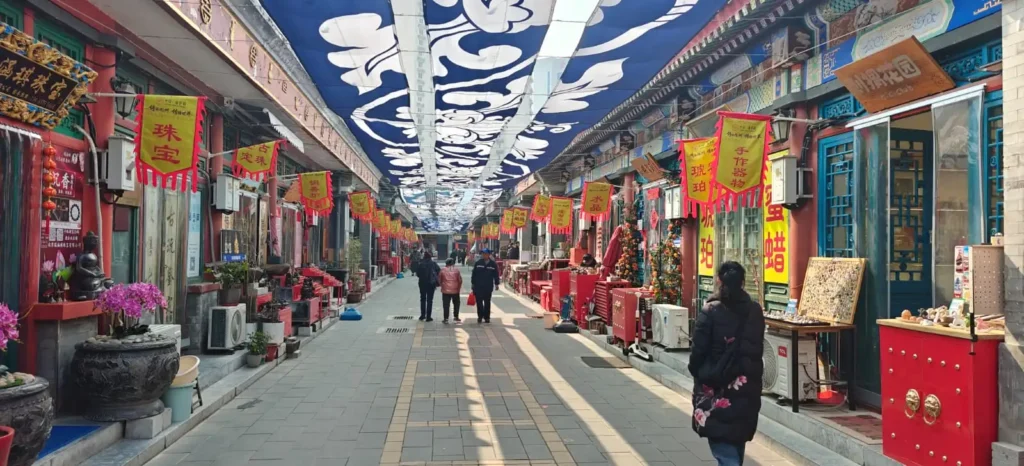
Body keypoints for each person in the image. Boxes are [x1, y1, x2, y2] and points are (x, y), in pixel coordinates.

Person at [687, 262, 765, 466]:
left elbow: (698, 351)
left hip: (716, 384)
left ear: (719, 281)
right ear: (742, 282)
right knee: (736, 437)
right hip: (746, 384)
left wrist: (699, 372)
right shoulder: (755, 310)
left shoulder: (710, 310)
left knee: (724, 447)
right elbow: (757, 348)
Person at [470, 248, 500, 324]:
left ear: (489, 255)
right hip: (478, 286)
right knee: (479, 302)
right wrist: (473, 284)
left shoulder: (493, 264)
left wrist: (497, 284)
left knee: (487, 302)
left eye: (486, 254)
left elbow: (496, 275)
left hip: (488, 286)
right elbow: (474, 274)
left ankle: (487, 317)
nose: (484, 255)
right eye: (483, 254)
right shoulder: (478, 263)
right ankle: (480, 316)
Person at [416, 252, 440, 322]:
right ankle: (428, 317)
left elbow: (418, 274)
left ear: (424, 257)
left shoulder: (421, 264)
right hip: (431, 284)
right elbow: (439, 271)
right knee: (430, 300)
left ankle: (422, 315)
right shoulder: (433, 263)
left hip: (422, 283)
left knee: (422, 299)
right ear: (430, 257)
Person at [439, 258, 463, 324]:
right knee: (456, 304)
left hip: (445, 291)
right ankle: (456, 317)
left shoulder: (442, 270)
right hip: (455, 290)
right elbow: (460, 280)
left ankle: (446, 318)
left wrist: (442, 286)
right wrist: (458, 288)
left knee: (446, 305)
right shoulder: (457, 270)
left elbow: (439, 280)